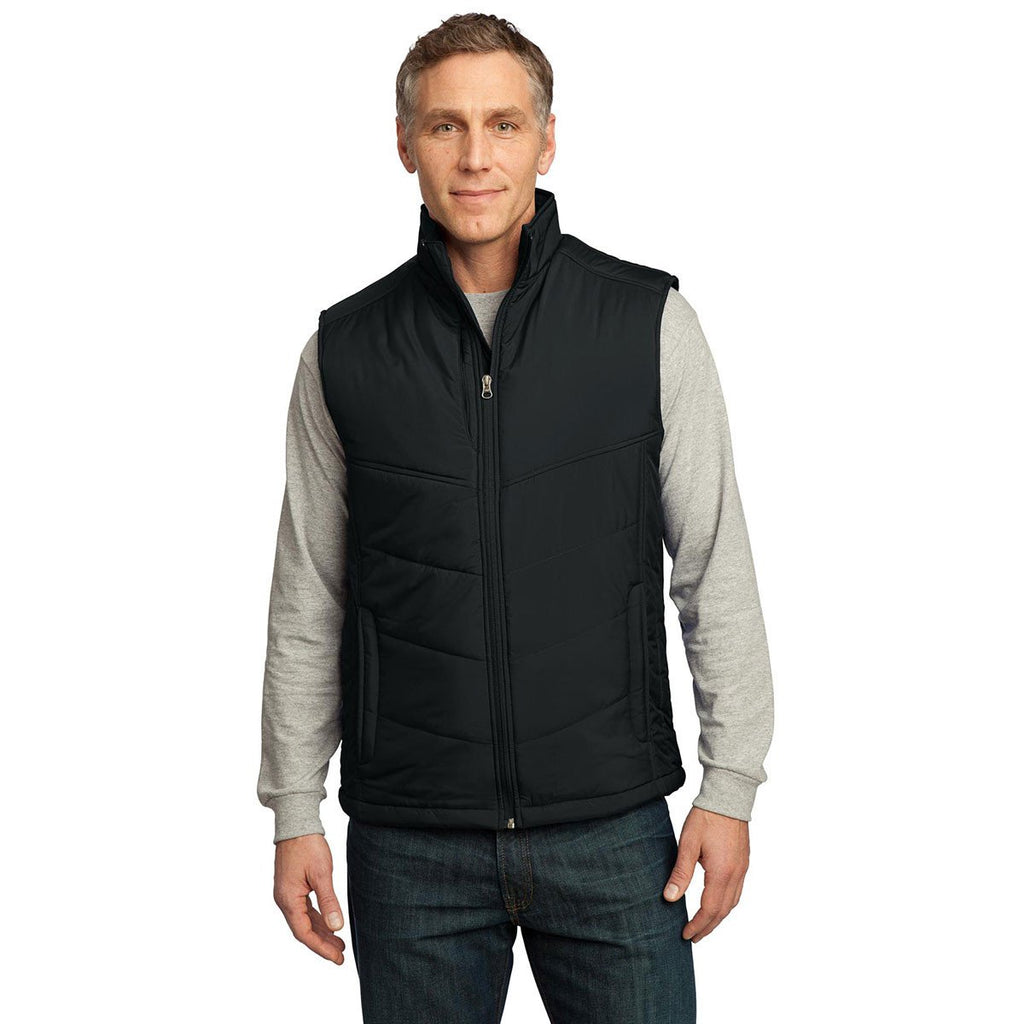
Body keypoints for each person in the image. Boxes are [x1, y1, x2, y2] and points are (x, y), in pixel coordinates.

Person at [257, 12, 774, 1023]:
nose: (475, 156)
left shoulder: (646, 324)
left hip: (614, 831)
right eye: (445, 126)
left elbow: (713, 565)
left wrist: (730, 786)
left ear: (547, 140)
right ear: (404, 143)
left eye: (503, 124)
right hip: (412, 846)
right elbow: (309, 596)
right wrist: (292, 808)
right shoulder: (345, 352)